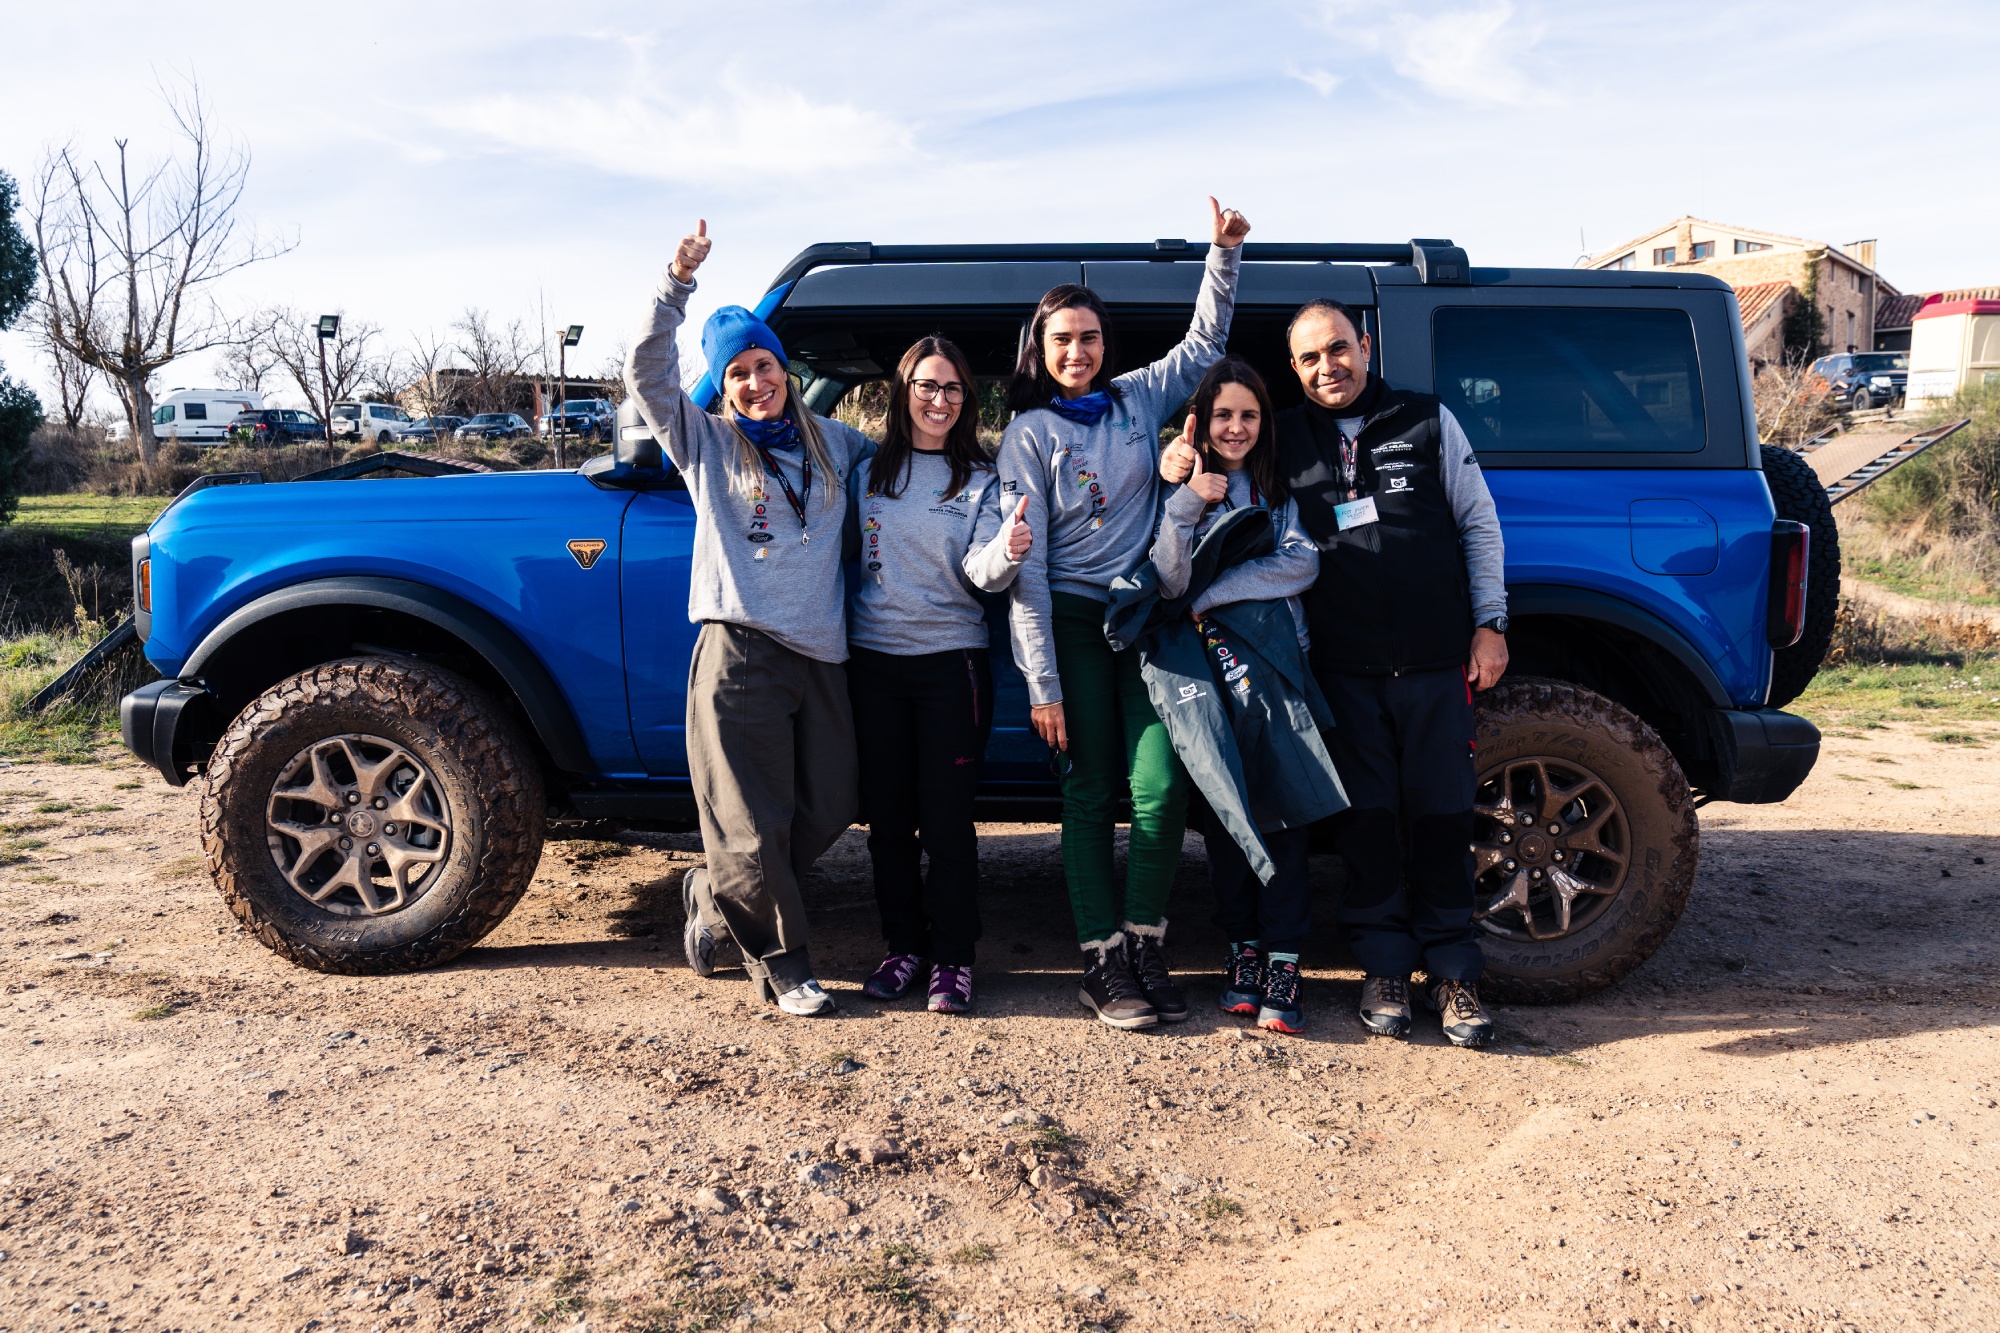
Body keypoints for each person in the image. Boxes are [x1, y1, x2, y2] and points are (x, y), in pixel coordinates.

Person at [1167, 298, 1508, 1046]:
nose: (1329, 367)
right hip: (1340, 672)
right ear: (1294, 369)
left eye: (1339, 349)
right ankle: (1384, 966)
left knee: (1443, 817)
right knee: (1369, 825)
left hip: (1434, 664)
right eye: (1311, 358)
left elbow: (1479, 522)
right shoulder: (1283, 436)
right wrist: (1178, 460)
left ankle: (1454, 972)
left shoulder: (1427, 421)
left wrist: (1491, 624)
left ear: (1365, 343)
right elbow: (1225, 458)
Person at [998, 197, 1252, 1030]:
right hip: (1072, 622)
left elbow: (1205, 348)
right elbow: (1025, 565)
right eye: (1063, 338)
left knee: (1161, 784)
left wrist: (1221, 257)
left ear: (1106, 346)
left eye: (1091, 337)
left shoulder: (1137, 400)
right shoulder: (1029, 434)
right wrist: (1043, 683)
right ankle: (1100, 958)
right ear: (1041, 348)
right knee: (1090, 787)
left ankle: (1146, 941)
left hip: (1145, 620)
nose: (1078, 350)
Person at [623, 220, 875, 1018]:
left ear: (785, 370)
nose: (755, 382)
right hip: (740, 652)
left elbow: (910, 467)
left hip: (822, 655)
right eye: (737, 373)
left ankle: (713, 884)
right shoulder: (707, 443)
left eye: (764, 365)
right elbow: (645, 371)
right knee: (749, 821)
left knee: (831, 801)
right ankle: (782, 963)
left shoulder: (837, 442)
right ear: (723, 387)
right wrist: (675, 282)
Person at [847, 336, 1032, 1014]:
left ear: (967, 400)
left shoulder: (980, 479)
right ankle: (903, 947)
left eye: (953, 389)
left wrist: (1007, 551)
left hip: (952, 666)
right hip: (874, 664)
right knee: (889, 823)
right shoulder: (866, 471)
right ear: (904, 391)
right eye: (927, 385)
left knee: (948, 822)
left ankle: (953, 958)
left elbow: (980, 574)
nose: (940, 399)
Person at [1150, 356, 1324, 1033]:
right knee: (1226, 818)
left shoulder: (1277, 486)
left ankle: (1285, 958)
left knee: (1287, 813)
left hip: (1280, 677)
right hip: (1208, 677)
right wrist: (1190, 499)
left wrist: (1214, 592)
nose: (1237, 426)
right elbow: (1166, 577)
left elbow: (1302, 560)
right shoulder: (1181, 487)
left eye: (1249, 414)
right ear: (1199, 420)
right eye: (1223, 414)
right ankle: (1242, 952)